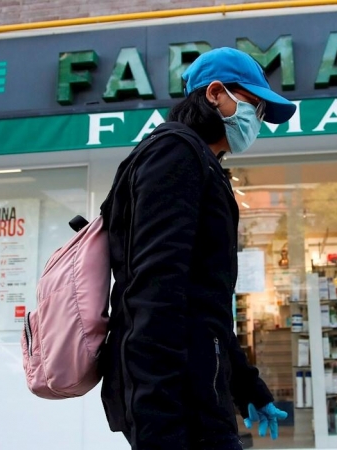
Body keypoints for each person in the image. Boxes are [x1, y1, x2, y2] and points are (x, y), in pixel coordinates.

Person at [99, 48, 297, 450]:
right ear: (215, 94)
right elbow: (154, 289)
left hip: (199, 396)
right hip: (175, 406)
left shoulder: (202, 164)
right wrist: (159, 422)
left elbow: (207, 306)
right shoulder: (175, 154)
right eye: (254, 106)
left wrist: (247, 387)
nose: (257, 121)